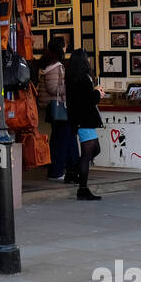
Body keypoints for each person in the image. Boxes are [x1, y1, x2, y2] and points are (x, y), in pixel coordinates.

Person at [64, 48, 105, 200]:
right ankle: (82, 188)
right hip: (84, 119)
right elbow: (89, 100)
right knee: (88, 153)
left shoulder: (71, 77)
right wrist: (98, 93)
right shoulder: (83, 78)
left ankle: (73, 170)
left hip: (79, 119)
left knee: (95, 149)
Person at [38, 39, 78, 183]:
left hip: (54, 107)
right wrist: (70, 86)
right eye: (64, 46)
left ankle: (70, 169)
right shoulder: (55, 66)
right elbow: (53, 88)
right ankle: (57, 171)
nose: (66, 48)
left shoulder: (48, 64)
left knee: (63, 138)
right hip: (58, 107)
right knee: (62, 139)